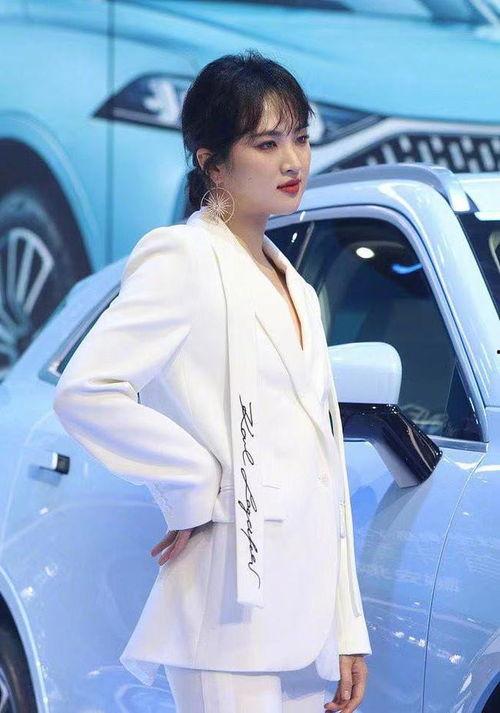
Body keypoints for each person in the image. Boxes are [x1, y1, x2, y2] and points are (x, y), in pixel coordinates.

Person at [53, 49, 372, 712]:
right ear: (212, 162)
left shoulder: (296, 285)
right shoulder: (184, 257)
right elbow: (87, 391)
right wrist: (193, 481)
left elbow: (325, 469)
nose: (293, 161)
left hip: (306, 625)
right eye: (267, 143)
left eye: (300, 138)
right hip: (226, 617)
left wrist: (347, 628)